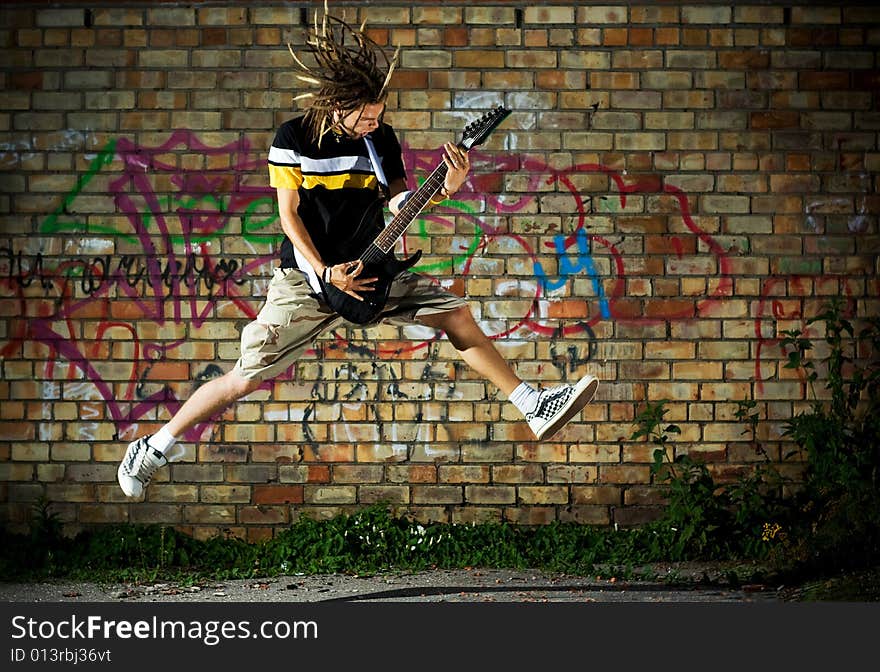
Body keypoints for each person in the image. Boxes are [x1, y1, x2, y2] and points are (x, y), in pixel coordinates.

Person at [117, 12, 598, 498]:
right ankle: (154, 446)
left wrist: (446, 189)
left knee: (457, 315)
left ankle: (532, 403)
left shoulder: (380, 141)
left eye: (379, 114)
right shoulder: (293, 139)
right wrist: (324, 272)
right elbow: (289, 216)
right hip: (306, 277)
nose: (375, 121)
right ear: (338, 107)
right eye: (366, 115)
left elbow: (396, 202)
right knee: (245, 376)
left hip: (369, 266)